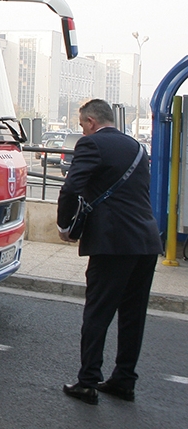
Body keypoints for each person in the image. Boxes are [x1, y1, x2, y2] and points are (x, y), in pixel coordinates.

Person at [58, 98, 162, 405]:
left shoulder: (91, 144)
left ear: (91, 122)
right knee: (133, 315)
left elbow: (71, 188)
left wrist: (65, 226)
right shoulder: (137, 147)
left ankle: (87, 382)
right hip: (146, 242)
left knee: (98, 312)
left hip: (112, 243)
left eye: (82, 126)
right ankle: (124, 380)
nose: (82, 132)